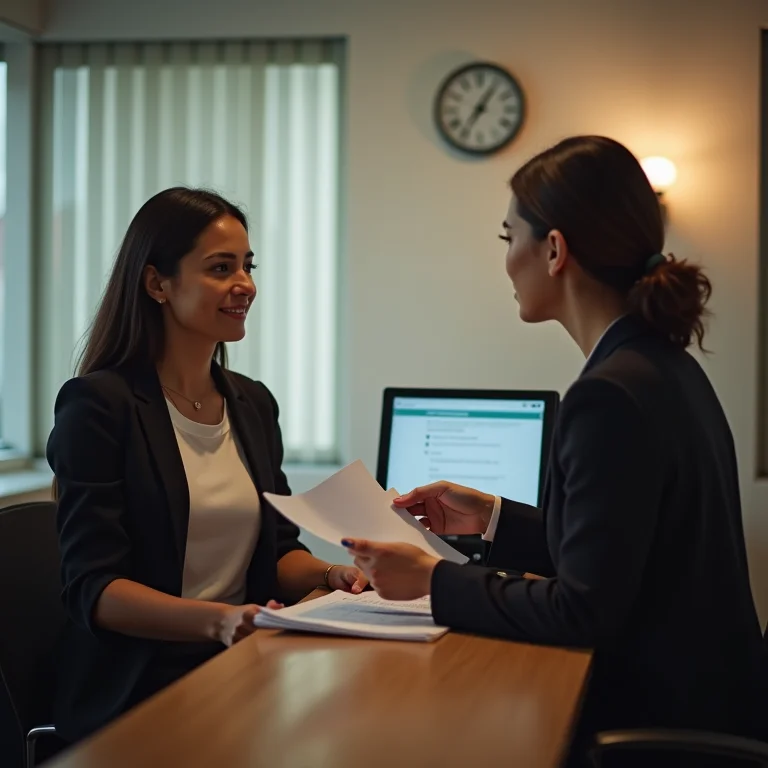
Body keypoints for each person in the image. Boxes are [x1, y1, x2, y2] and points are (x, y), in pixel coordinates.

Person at [342, 137, 768, 764]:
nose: (506, 258)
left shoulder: (608, 396)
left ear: (554, 249)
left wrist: (433, 580)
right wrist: (489, 516)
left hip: (649, 719)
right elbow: (614, 556)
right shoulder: (658, 365)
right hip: (709, 700)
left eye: (507, 236)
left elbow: (584, 610)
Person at [48, 187, 366, 743]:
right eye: (221, 268)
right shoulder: (100, 405)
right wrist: (221, 621)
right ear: (157, 284)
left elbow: (277, 551)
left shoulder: (252, 403)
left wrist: (331, 575)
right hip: (144, 681)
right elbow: (95, 590)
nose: (245, 284)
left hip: (243, 659)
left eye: (247, 265)